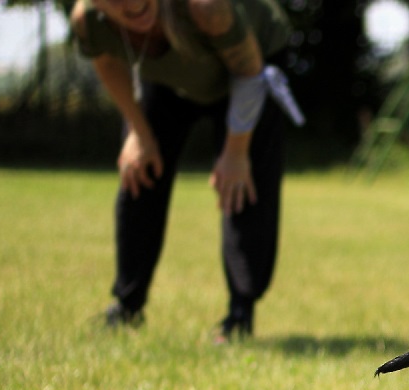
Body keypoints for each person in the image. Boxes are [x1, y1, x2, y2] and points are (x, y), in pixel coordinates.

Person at [71, 0, 304, 342]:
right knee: (139, 171)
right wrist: (138, 131)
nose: (130, 3)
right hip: (166, 79)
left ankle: (240, 314)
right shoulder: (89, 21)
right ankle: (127, 306)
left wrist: (236, 152)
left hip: (249, 70)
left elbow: (249, 70)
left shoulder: (205, 7)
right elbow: (106, 61)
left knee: (242, 185)